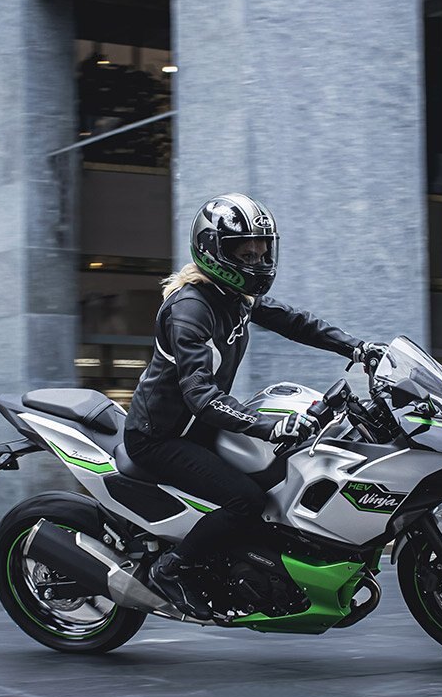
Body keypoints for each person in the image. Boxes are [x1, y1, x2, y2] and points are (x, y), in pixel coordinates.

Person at [124, 193, 386, 619]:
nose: (259, 262)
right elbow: (200, 395)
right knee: (245, 500)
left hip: (200, 428)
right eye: (247, 254)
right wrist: (267, 426)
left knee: (278, 472)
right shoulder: (190, 310)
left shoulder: (234, 294)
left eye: (263, 252)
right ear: (214, 251)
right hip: (161, 437)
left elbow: (295, 321)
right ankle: (172, 570)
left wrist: (357, 348)